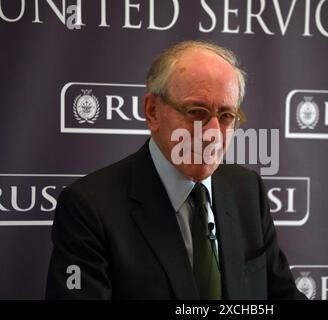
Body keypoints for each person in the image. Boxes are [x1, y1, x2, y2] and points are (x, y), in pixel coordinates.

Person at [46, 40, 306, 300]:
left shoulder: (247, 190)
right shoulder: (89, 208)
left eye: (226, 116)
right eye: (196, 112)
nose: (213, 134)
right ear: (152, 112)